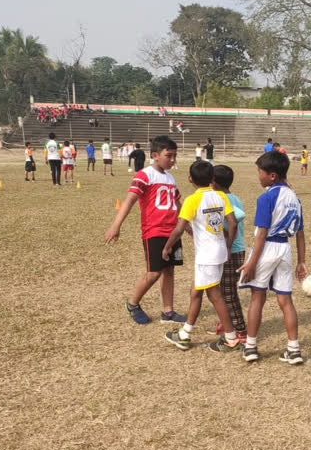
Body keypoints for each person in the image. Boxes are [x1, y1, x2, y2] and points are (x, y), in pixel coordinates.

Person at [104, 136, 187, 325]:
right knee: (154, 272)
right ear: (155, 155)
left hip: (172, 231)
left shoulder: (170, 177)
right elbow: (130, 200)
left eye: (175, 156)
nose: (172, 160)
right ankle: (133, 304)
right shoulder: (144, 175)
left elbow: (177, 203)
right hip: (154, 231)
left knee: (169, 270)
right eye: (169, 156)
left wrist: (186, 225)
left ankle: (168, 311)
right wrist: (116, 225)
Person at [238, 151, 308, 365]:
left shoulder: (267, 197)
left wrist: (251, 263)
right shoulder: (294, 199)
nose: (258, 176)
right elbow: (301, 233)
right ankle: (293, 349)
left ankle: (250, 347)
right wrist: (301, 261)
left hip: (266, 248)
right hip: (285, 250)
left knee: (257, 297)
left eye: (260, 172)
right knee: (285, 300)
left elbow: (261, 234)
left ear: (272, 176)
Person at [162, 161, 239, 351]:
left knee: (215, 296)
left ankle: (231, 338)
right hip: (219, 252)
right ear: (212, 179)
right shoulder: (221, 196)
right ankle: (185, 334)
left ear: (190, 179)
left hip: (207, 256)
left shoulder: (192, 200)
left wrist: (167, 247)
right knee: (196, 291)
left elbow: (180, 228)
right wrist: (228, 246)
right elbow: (233, 223)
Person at [207, 164, 247, 341]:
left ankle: (240, 329)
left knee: (228, 292)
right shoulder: (233, 197)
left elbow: (234, 222)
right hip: (232, 250)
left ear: (214, 182)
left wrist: (227, 244)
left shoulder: (223, 198)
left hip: (232, 250)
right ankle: (227, 323)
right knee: (222, 291)